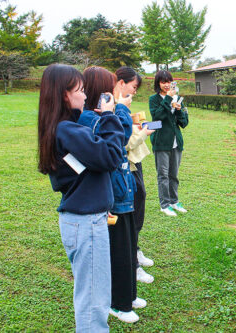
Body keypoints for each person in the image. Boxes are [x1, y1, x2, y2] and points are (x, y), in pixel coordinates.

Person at [37, 64, 124, 332]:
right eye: (81, 90)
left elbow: (82, 175)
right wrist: (110, 117)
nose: (85, 97)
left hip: (84, 219)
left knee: (91, 294)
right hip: (85, 224)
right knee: (93, 302)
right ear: (65, 94)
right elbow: (110, 156)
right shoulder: (68, 130)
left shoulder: (63, 129)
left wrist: (100, 202)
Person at [77, 66, 143, 324]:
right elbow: (122, 137)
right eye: (108, 88)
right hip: (110, 196)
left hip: (122, 191)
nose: (112, 94)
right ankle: (118, 303)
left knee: (127, 247)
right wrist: (121, 110)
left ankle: (128, 295)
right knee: (117, 252)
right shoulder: (88, 119)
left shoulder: (102, 115)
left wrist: (116, 111)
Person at [115, 67, 155, 283]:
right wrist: (144, 132)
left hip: (135, 163)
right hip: (126, 166)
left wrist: (133, 123)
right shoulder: (112, 107)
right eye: (133, 86)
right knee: (130, 213)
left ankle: (135, 249)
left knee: (139, 204)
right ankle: (133, 264)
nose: (134, 92)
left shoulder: (120, 107)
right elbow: (124, 142)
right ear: (121, 83)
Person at [149, 70, 189, 217]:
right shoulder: (154, 99)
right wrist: (168, 100)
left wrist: (179, 110)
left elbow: (183, 123)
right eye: (163, 82)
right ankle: (164, 204)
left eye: (168, 82)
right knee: (163, 175)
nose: (166, 85)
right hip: (161, 142)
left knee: (174, 174)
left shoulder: (178, 98)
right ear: (158, 83)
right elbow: (157, 116)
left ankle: (174, 201)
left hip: (175, 142)